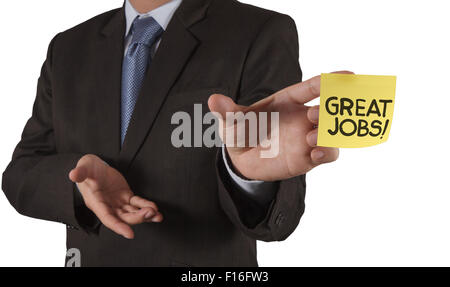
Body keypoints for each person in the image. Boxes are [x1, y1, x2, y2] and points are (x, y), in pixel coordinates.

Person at [2, 0, 342, 266]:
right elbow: (20, 173)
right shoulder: (67, 48)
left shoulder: (259, 32)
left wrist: (246, 177)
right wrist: (76, 185)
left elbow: (277, 214)